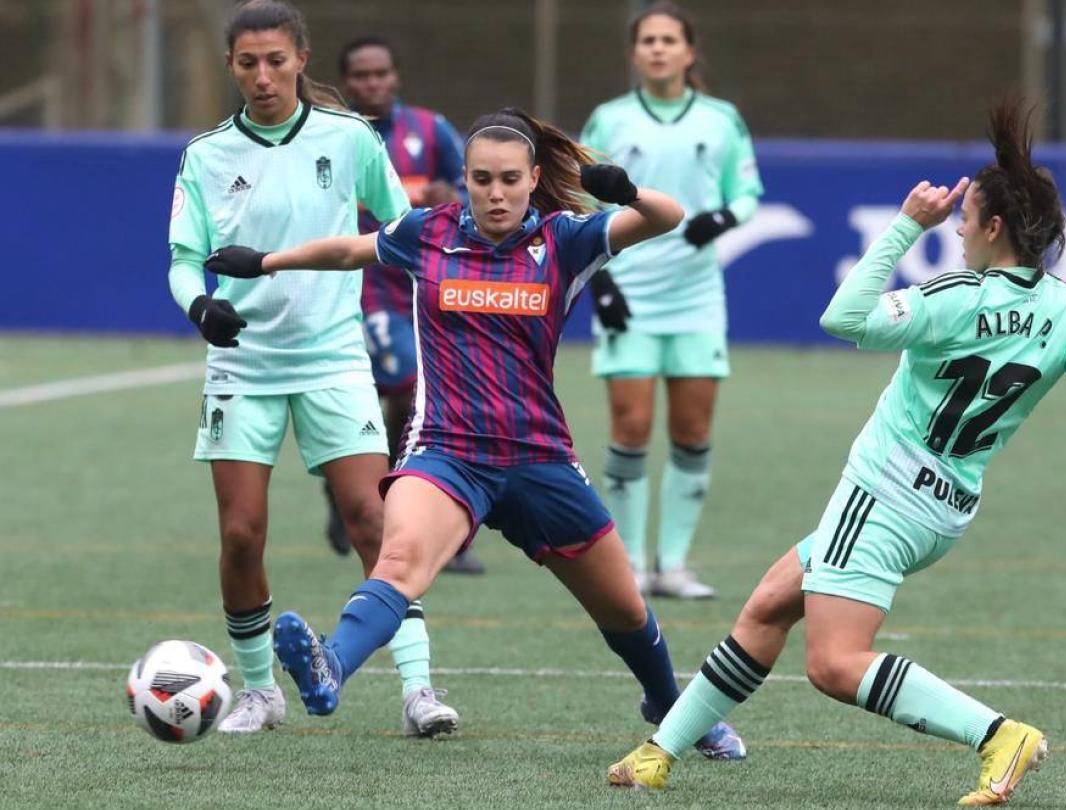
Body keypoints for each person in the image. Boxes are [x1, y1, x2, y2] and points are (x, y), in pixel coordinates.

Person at [606, 98, 1066, 806]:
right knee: (767, 608)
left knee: (834, 664)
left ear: (995, 227)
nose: (957, 227)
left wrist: (905, 226)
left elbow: (842, 317)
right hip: (943, 511)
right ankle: (659, 752)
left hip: (883, 495)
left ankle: (999, 735)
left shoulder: (957, 297)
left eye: (965, 216)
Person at [205, 108, 746, 758]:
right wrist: (265, 261)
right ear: (463, 179)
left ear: (533, 178)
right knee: (400, 562)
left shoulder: (565, 239)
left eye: (510, 179)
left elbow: (667, 217)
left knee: (625, 610)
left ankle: (670, 706)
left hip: (539, 457)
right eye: (482, 179)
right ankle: (331, 666)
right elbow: (349, 249)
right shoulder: (426, 232)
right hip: (447, 452)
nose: (496, 193)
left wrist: (625, 190)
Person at [167, 0, 456, 737]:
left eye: (276, 60)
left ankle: (418, 690)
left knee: (375, 521)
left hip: (334, 359)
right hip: (242, 369)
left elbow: (401, 227)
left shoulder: (349, 137)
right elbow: (182, 260)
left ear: (301, 58)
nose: (262, 76)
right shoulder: (207, 153)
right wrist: (202, 307)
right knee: (241, 534)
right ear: (232, 67)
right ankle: (260, 692)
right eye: (247, 63)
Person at [579, 1, 764, 599]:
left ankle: (675, 564)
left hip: (696, 296)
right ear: (635, 53)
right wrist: (600, 281)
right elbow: (580, 201)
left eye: (669, 40)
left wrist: (722, 218)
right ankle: (631, 565)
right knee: (631, 427)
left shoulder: (721, 119)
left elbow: (748, 193)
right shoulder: (609, 120)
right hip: (629, 293)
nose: (658, 49)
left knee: (692, 429)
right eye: (648, 40)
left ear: (689, 52)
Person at [324, 34, 485, 575]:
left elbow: (476, 187)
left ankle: (369, 493)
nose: (372, 83)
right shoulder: (333, 136)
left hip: (425, 285)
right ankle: (375, 498)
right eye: (361, 75)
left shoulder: (430, 129)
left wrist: (455, 198)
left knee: (415, 396)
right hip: (364, 284)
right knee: (408, 384)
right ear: (346, 83)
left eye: (381, 73)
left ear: (395, 77)